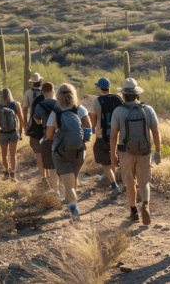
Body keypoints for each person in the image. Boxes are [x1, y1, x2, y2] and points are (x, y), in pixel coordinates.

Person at [110, 78, 161, 225]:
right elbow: (156, 132)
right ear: (137, 94)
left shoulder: (118, 111)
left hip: (125, 151)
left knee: (129, 181)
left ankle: (133, 212)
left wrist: (113, 154)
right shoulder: (148, 109)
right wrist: (158, 151)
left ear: (123, 95)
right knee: (144, 181)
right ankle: (145, 204)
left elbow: (113, 135)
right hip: (145, 150)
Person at [46, 83, 92, 220]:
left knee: (68, 184)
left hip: (61, 153)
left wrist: (59, 137)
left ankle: (73, 208)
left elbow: (49, 136)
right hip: (79, 151)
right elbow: (89, 128)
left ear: (58, 96)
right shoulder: (80, 109)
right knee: (74, 179)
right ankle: (72, 199)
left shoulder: (55, 112)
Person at [89, 78, 124, 199]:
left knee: (104, 161)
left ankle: (114, 186)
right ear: (109, 87)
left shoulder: (97, 101)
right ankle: (109, 175)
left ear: (99, 88)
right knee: (112, 154)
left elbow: (92, 119)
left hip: (102, 135)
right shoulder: (117, 98)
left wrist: (93, 128)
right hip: (117, 133)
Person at [33, 82, 61, 198]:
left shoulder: (39, 106)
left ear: (43, 92)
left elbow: (37, 121)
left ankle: (56, 192)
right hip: (61, 136)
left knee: (52, 168)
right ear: (53, 91)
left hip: (48, 138)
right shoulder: (59, 104)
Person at [0, 88, 23, 181]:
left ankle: (6, 172)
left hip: (3, 133)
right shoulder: (16, 105)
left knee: (4, 154)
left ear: (1, 96)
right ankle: (13, 174)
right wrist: (20, 131)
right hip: (13, 132)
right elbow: (21, 119)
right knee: (13, 154)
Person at [23, 72, 47, 186]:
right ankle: (52, 175)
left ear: (31, 83)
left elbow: (24, 109)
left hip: (34, 126)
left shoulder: (28, 92)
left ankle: (44, 178)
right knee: (47, 151)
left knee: (38, 153)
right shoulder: (45, 92)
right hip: (47, 125)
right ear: (41, 82)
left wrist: (24, 124)